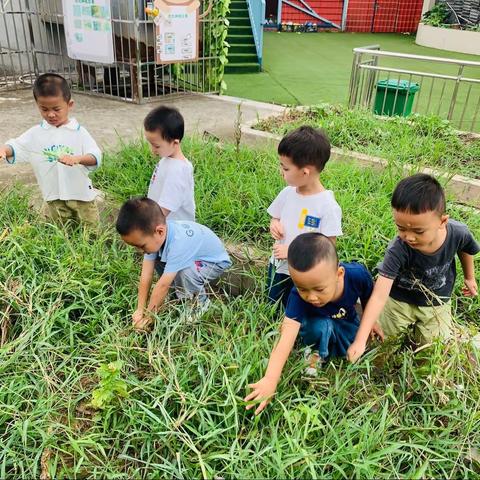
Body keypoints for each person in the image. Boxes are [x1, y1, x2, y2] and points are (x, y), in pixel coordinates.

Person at [347, 174, 480, 363]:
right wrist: (360, 340)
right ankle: (377, 367)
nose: (408, 237)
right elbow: (379, 294)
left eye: (418, 231)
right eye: (401, 228)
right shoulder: (398, 249)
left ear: (442, 222)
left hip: (437, 301)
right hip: (399, 300)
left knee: (433, 351)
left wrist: (470, 277)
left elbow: (467, 249)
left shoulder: (458, 233)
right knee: (380, 345)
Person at [246, 233, 373, 415]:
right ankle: (313, 353)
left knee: (352, 346)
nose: (311, 297)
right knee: (320, 327)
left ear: (339, 274)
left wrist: (372, 323)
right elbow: (285, 339)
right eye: (302, 288)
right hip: (316, 327)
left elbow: (370, 297)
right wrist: (270, 379)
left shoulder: (357, 275)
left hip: (345, 322)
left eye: (319, 289)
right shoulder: (297, 297)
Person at [116, 197, 231, 331]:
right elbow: (146, 275)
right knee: (160, 259)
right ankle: (179, 293)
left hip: (213, 262)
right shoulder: (154, 238)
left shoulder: (178, 243)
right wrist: (140, 309)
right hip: (193, 259)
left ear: (159, 231)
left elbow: (163, 285)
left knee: (185, 271)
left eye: (141, 246)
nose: (140, 251)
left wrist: (149, 317)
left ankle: (200, 303)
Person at [0, 73, 101, 225]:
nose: (51, 114)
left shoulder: (79, 132)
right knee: (62, 231)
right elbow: (17, 146)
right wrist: (4, 150)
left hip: (81, 195)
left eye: (56, 109)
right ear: (37, 105)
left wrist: (78, 159)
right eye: (44, 109)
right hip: (54, 196)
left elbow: (95, 155)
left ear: (69, 105)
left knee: (90, 229)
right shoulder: (36, 133)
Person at [267, 126, 342, 308]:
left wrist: (292, 253)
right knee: (272, 303)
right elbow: (275, 217)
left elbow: (328, 247)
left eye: (285, 168)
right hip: (278, 266)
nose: (281, 171)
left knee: (296, 309)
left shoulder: (327, 206)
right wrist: (274, 224)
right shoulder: (287, 193)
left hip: (305, 276)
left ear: (305, 172)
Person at [143, 105, 195, 222]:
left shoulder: (177, 171)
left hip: (174, 229)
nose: (152, 150)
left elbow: (164, 209)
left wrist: (146, 225)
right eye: (150, 144)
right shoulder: (167, 159)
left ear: (175, 143)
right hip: (162, 224)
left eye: (156, 146)